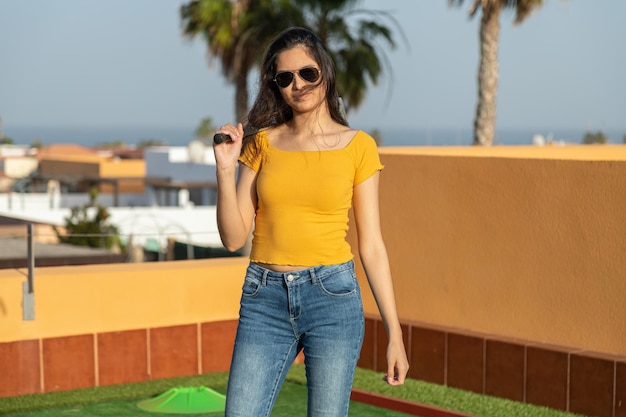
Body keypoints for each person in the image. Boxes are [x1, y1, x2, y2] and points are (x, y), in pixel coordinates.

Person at [213, 26, 409, 417]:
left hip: (332, 298)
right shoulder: (262, 143)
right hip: (263, 299)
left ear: (325, 72)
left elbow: (371, 245)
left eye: (307, 73)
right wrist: (224, 169)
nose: (297, 85)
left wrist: (395, 333)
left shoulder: (359, 147)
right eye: (284, 78)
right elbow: (234, 238)